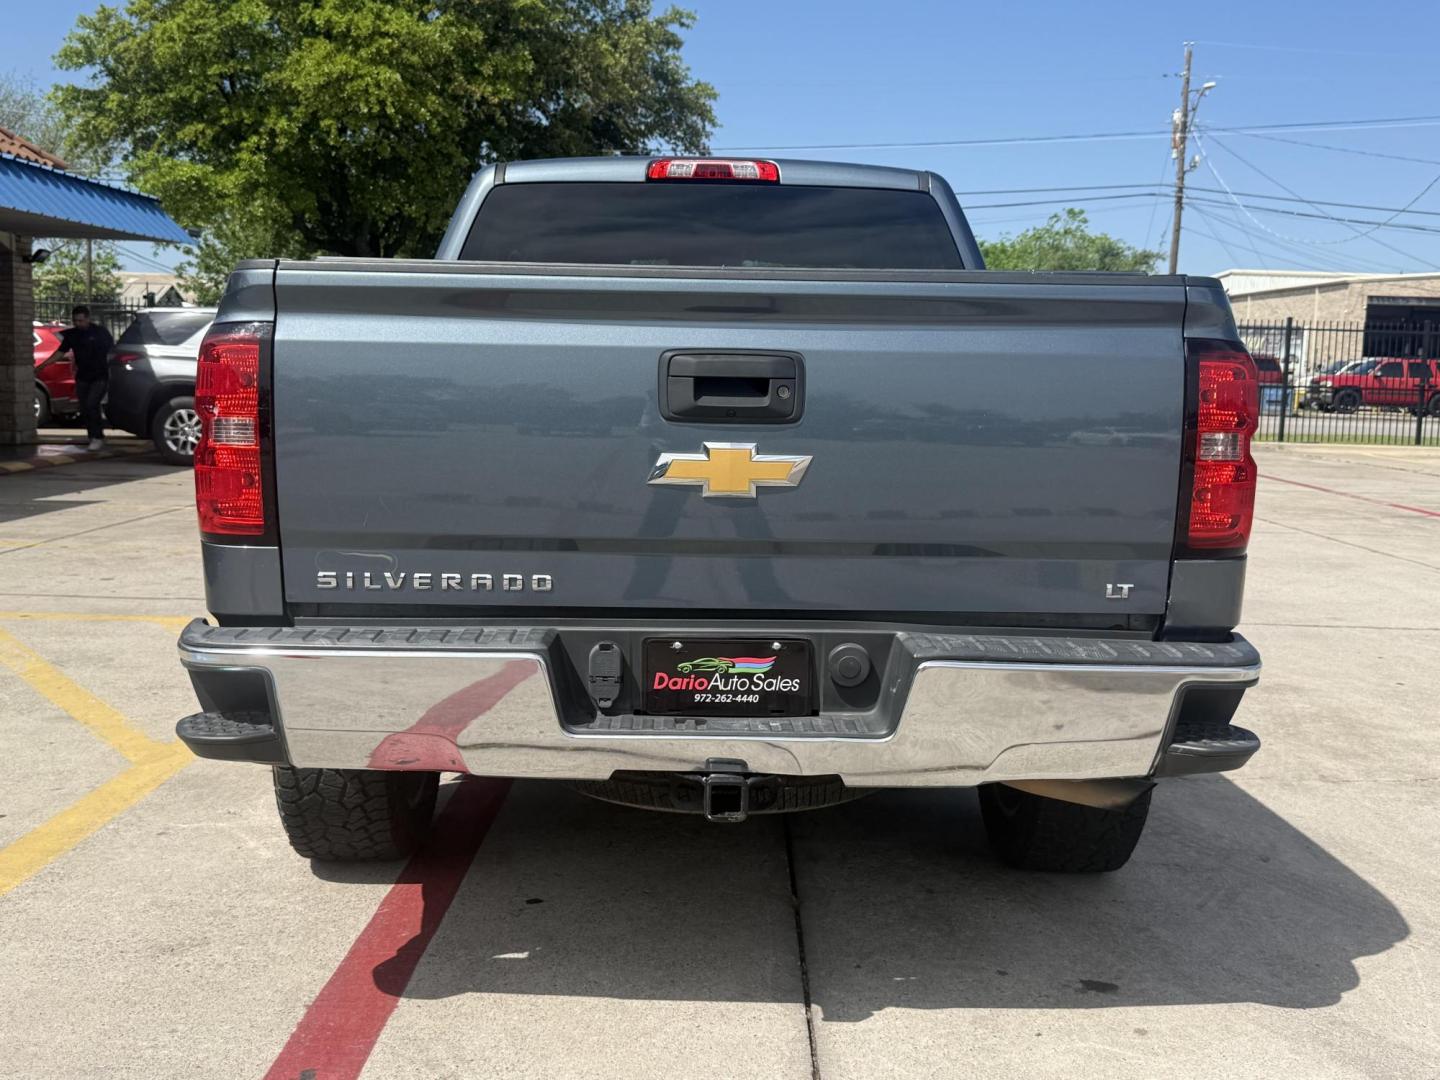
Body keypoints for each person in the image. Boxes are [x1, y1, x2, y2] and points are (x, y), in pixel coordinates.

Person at [57, 305, 115, 451]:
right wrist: (43, 365)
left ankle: (98, 437)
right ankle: (92, 436)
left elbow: (112, 351)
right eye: (75, 321)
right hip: (83, 376)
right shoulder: (73, 335)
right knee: (84, 407)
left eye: (81, 320)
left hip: (100, 375)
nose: (78, 324)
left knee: (92, 404)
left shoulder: (100, 332)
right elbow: (60, 352)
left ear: (88, 319)